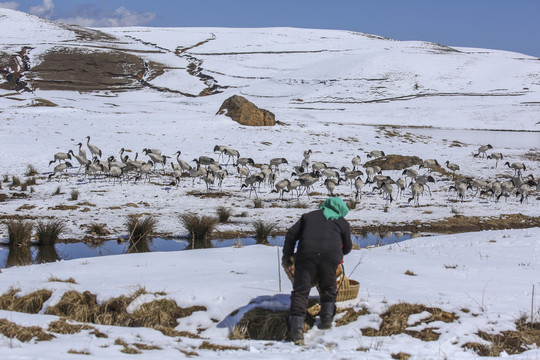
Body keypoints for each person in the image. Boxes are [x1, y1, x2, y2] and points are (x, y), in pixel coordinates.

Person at [282, 196, 352, 344]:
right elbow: (347, 248)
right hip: (330, 257)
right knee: (328, 285)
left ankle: (296, 331)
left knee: (301, 290)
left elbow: (291, 235)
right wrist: (335, 252)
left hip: (306, 255)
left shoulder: (308, 217)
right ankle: (326, 320)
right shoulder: (343, 222)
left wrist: (287, 256)